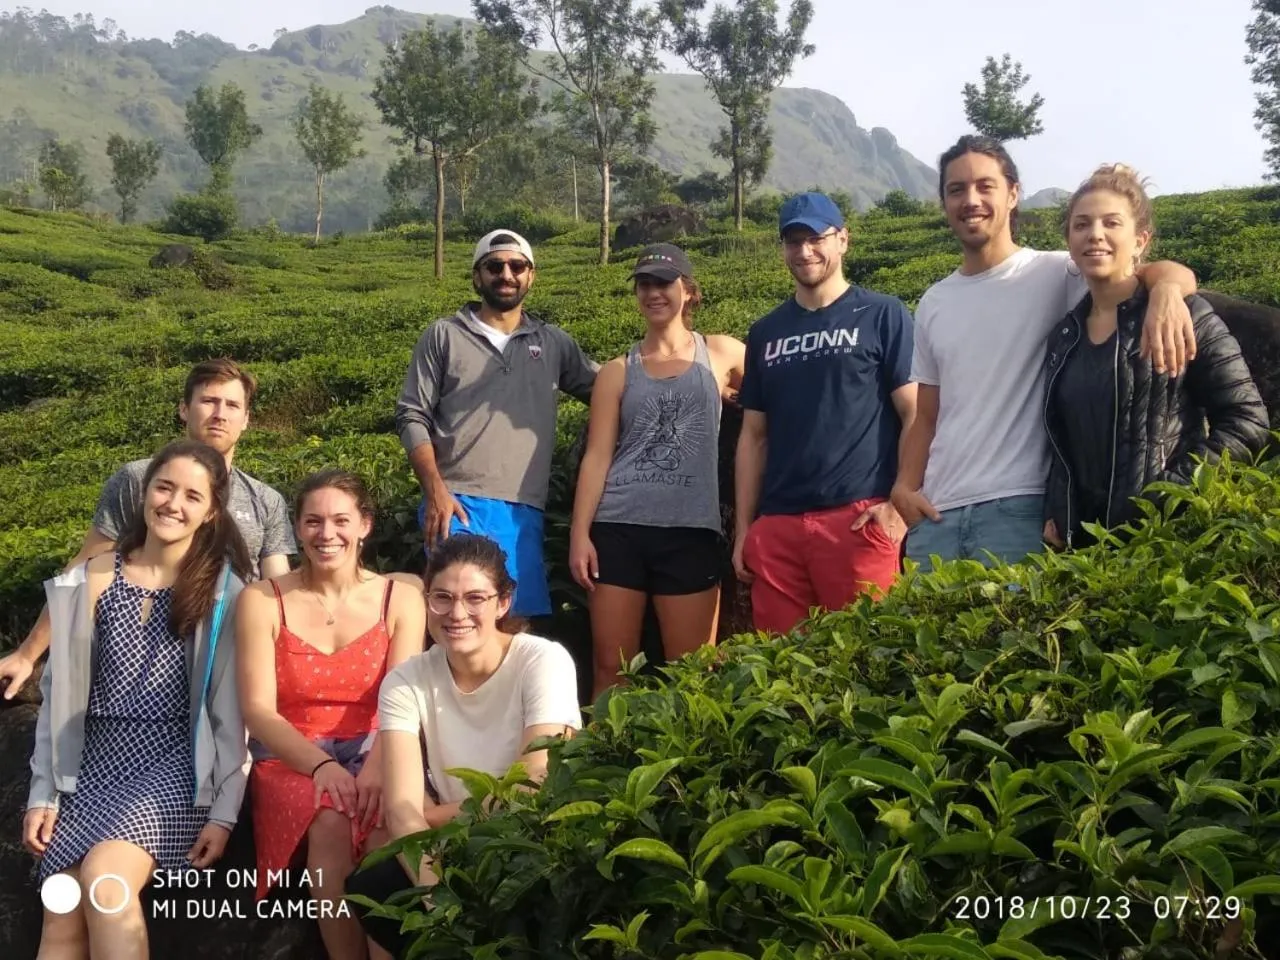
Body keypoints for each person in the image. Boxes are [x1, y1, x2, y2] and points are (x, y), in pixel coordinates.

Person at [891, 135, 1200, 569]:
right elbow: (926, 415)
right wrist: (904, 487)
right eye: (956, 190)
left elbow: (1153, 272)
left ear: (1013, 193)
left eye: (986, 186)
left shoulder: (1058, 272)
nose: (971, 200)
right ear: (943, 202)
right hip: (937, 515)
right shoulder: (934, 301)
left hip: (1018, 510)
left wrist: (1166, 290)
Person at [24, 440, 252, 960]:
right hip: (90, 763)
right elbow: (57, 694)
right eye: (164, 487)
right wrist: (43, 794)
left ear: (211, 510)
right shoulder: (92, 577)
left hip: (172, 763)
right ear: (144, 491)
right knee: (61, 908)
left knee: (106, 883)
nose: (174, 503)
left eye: (192, 495)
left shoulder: (224, 592)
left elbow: (230, 714)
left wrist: (224, 812)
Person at [0, 358, 296, 700]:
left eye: (232, 405)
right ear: (184, 409)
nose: (220, 414)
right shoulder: (137, 481)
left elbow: (276, 592)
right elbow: (84, 570)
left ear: (246, 420)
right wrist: (27, 654)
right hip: (133, 663)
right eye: (208, 401)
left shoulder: (265, 499)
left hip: (226, 664)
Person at [345, 534, 581, 957]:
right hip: (449, 846)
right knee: (375, 884)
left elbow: (532, 786)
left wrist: (430, 815)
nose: (457, 613)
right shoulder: (405, 681)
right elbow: (400, 810)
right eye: (442, 598)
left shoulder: (542, 661)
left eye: (475, 598)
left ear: (502, 602)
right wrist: (438, 896)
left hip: (529, 842)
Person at [235, 470, 425, 960]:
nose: (327, 534)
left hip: (379, 742)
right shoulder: (262, 600)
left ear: (364, 525)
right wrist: (322, 766)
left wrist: (381, 768)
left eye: (341, 520)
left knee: (388, 823)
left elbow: (401, 699)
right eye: (313, 521)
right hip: (293, 755)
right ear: (297, 528)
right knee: (331, 818)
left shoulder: (399, 597)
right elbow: (257, 710)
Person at [1043, 164, 1270, 549]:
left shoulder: (1186, 313)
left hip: (1165, 542)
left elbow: (1248, 422)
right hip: (1082, 553)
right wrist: (1057, 511)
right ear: (1069, 240)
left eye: (1111, 223)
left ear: (1140, 240)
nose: (1095, 234)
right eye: (1081, 225)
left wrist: (1168, 496)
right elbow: (1062, 442)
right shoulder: (1065, 337)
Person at [732, 192, 918, 634]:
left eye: (816, 238)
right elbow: (754, 436)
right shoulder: (766, 332)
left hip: (858, 519)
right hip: (778, 528)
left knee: (870, 660)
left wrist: (897, 506)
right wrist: (746, 530)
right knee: (782, 676)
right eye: (793, 242)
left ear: (843, 240)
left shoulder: (883, 314)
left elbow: (915, 413)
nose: (804, 251)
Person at [395, 230, 599, 623]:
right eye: (494, 266)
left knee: (515, 623)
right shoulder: (444, 335)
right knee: (461, 620)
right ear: (477, 276)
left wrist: (686, 369)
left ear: (531, 276)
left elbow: (604, 387)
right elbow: (411, 414)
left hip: (525, 506)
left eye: (517, 266)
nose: (506, 274)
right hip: (458, 502)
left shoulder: (553, 342)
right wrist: (434, 488)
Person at [569, 244, 745, 698]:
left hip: (691, 530)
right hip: (618, 528)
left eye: (663, 283)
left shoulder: (721, 353)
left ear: (688, 291)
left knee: (694, 672)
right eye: (644, 284)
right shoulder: (617, 371)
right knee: (612, 668)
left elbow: (775, 394)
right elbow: (598, 455)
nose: (653, 293)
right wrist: (580, 534)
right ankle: (604, 765)